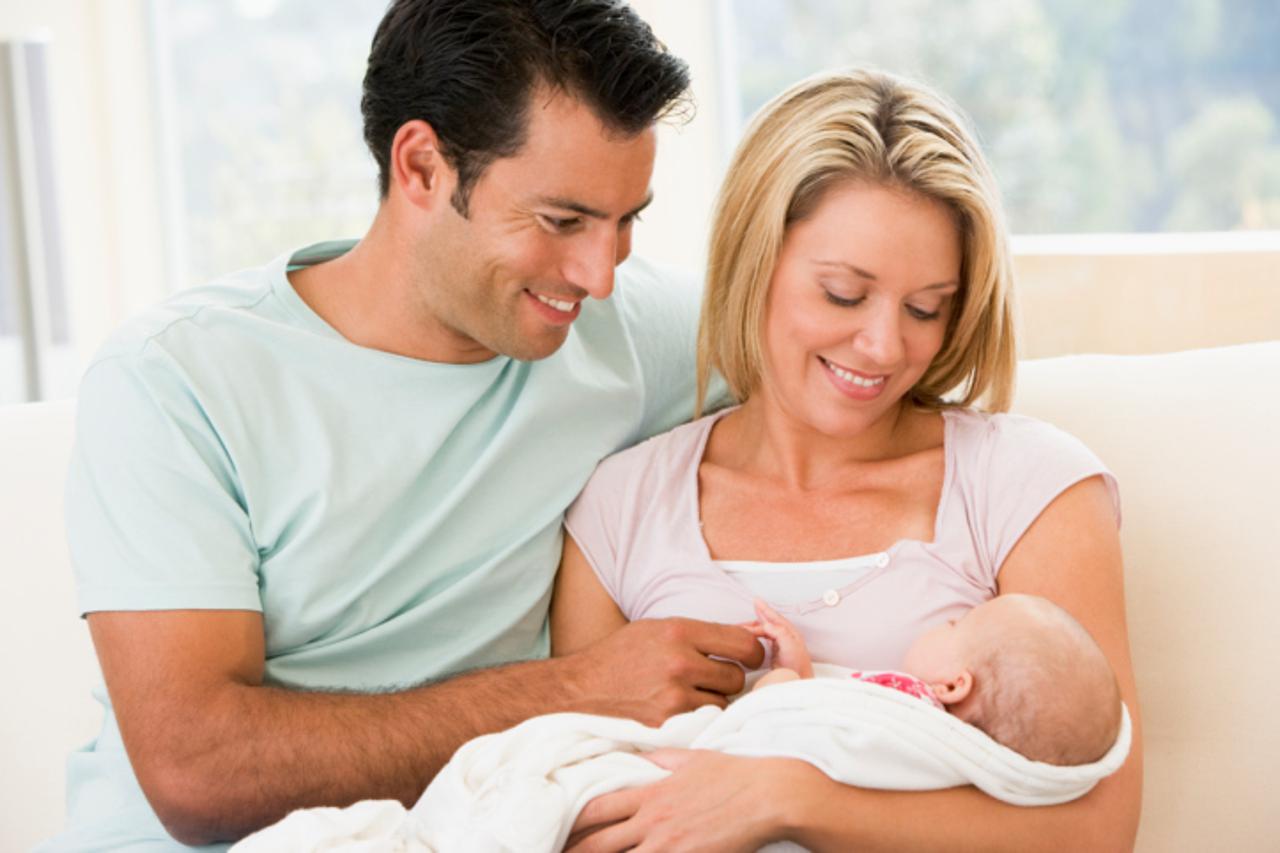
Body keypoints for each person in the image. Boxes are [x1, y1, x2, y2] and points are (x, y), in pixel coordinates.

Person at [45, 2, 766, 850]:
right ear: (422, 166)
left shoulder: (634, 332)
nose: (599, 274)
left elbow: (863, 372)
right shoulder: (175, 380)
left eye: (628, 219)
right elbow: (198, 771)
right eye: (562, 221)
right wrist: (574, 691)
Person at [551, 68, 1143, 851]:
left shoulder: (1028, 488)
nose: (885, 346)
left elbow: (1098, 827)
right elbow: (570, 776)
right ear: (753, 260)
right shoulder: (622, 507)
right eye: (841, 293)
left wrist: (790, 796)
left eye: (926, 307)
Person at [749, 596, 1124, 767]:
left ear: (951, 686)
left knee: (773, 690)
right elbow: (836, 717)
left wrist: (786, 682)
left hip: (770, 769)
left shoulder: (912, 703)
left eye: (957, 626)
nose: (948, 621)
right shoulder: (922, 733)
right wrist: (803, 671)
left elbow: (816, 735)